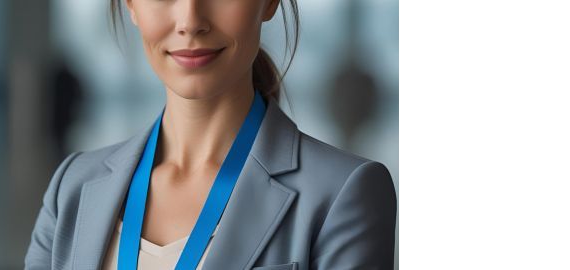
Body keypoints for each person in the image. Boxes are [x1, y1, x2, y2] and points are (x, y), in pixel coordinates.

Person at [24, 0, 395, 269]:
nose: (190, 21)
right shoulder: (73, 187)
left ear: (269, 3)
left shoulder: (342, 194)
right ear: (131, 5)